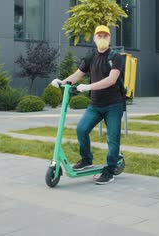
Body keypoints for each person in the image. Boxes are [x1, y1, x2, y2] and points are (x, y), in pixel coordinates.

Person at [51, 25, 124, 185]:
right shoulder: (91, 56)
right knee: (81, 129)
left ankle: (110, 171)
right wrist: (61, 82)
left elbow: (112, 80)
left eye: (105, 36)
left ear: (109, 39)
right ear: (94, 38)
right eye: (99, 36)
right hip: (96, 105)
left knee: (113, 138)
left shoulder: (116, 57)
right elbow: (78, 74)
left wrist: (89, 87)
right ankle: (86, 159)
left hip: (113, 105)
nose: (102, 38)